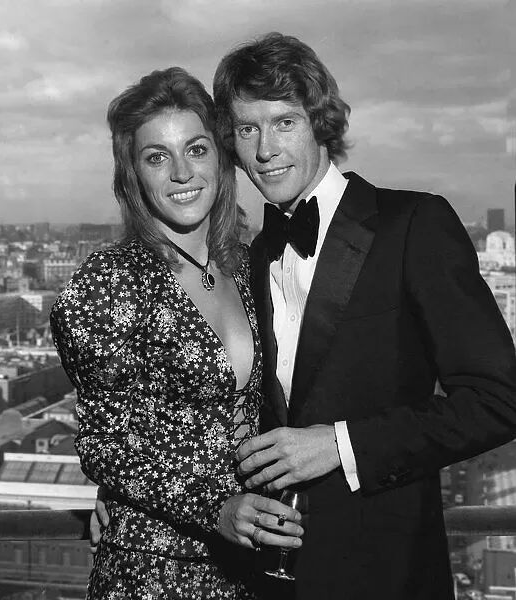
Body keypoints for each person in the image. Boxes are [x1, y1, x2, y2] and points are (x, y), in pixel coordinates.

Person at [210, 32, 516, 599]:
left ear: (321, 123)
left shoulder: (413, 223)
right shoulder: (252, 256)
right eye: (246, 130)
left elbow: (500, 399)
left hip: (387, 571)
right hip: (275, 578)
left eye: (284, 122)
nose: (264, 149)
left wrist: (342, 444)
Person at [50, 66, 303, 600]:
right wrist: (214, 506)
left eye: (197, 149)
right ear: (133, 175)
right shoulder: (109, 283)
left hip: (251, 565)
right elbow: (104, 441)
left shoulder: (247, 263)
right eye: (157, 157)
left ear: (221, 157)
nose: (183, 173)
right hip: (155, 571)